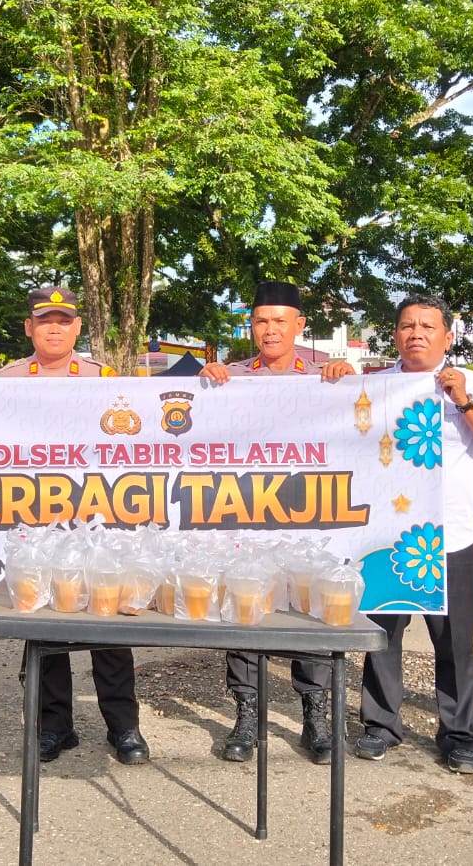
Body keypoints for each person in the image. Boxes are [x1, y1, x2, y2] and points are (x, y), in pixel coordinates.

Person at [353, 294, 473, 774]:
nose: (416, 333)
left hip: (450, 541)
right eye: (407, 325)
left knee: (455, 643)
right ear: (395, 334)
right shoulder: (372, 386)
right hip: (385, 539)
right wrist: (337, 378)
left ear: (448, 335)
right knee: (381, 635)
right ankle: (381, 725)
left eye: (427, 326)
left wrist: (462, 400)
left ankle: (460, 734)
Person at [199, 280, 354, 764]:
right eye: (261, 320)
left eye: (280, 321)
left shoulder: (326, 377)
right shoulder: (231, 379)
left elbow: (365, 420)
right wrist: (203, 384)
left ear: (299, 325)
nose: (270, 329)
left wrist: (353, 380)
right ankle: (247, 717)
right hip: (246, 518)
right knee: (245, 611)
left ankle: (316, 717)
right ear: (251, 325)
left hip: (307, 517)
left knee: (309, 612)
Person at [0, 286, 149, 766]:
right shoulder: (5, 381)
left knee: (107, 620)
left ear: (78, 327)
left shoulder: (104, 379)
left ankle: (123, 727)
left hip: (97, 515)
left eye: (64, 320)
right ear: (30, 328)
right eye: (45, 320)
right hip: (37, 517)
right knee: (44, 622)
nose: (55, 327)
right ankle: (54, 727)